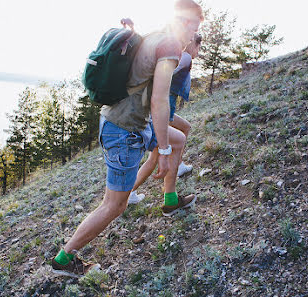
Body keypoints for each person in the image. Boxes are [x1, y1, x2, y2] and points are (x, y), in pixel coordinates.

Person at [51, 0, 203, 278]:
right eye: (195, 26)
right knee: (115, 205)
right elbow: (159, 102)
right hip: (124, 130)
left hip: (132, 123)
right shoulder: (169, 46)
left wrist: (167, 145)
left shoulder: (158, 38)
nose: (195, 34)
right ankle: (64, 258)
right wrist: (164, 151)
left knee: (179, 138)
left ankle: (169, 200)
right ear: (184, 23)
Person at [128, 33, 202, 205]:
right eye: (198, 47)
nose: (198, 51)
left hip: (166, 110)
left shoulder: (183, 56)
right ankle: (130, 193)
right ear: (193, 45)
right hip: (161, 111)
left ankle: (179, 164)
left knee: (185, 128)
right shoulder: (185, 57)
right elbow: (170, 70)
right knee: (154, 158)